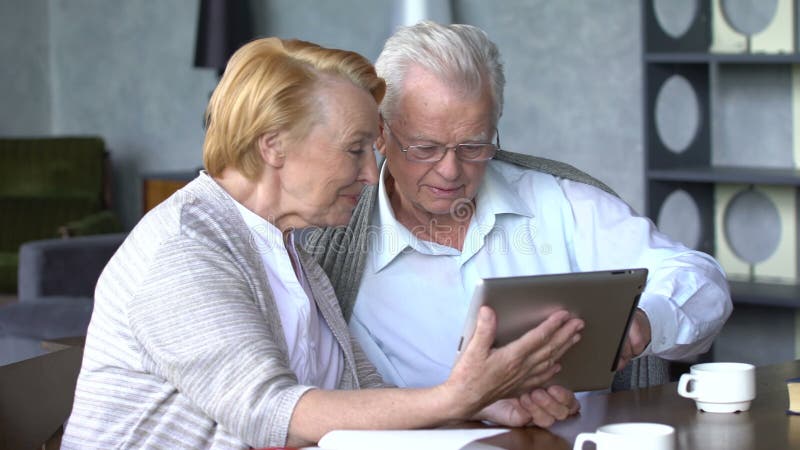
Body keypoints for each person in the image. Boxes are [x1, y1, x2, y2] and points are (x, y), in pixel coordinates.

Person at [60, 37, 584, 449]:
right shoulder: (183, 252)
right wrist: (455, 396)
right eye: (356, 149)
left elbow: (361, 392)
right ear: (274, 145)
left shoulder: (288, 251)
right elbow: (276, 416)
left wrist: (483, 403)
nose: (370, 172)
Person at [305, 21, 733, 425]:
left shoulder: (557, 201)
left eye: (473, 146)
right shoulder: (329, 251)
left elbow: (703, 281)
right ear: (380, 133)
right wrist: (465, 405)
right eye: (425, 148)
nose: (451, 171)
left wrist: (641, 322)